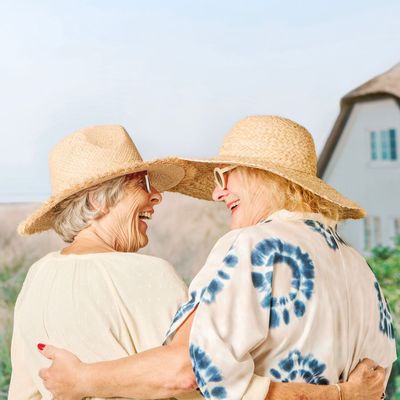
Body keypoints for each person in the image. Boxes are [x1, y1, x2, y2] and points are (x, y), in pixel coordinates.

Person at [37, 116, 395, 400]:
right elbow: (375, 384)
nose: (217, 191)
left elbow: (198, 373)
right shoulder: (359, 267)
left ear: (264, 176)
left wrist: (80, 379)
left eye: (225, 175)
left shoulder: (252, 247)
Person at [9, 124, 191, 399]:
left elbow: (24, 391)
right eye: (142, 183)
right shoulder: (149, 275)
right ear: (97, 200)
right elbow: (195, 378)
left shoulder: (38, 276)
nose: (156, 196)